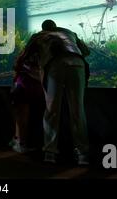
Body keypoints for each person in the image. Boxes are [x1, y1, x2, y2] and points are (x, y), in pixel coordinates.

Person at [34, 19, 90, 165]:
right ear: (55, 25)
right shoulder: (69, 32)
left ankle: (50, 153)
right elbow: (86, 51)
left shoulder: (39, 35)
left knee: (52, 109)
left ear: (43, 28)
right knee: (78, 109)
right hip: (78, 64)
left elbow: (26, 55)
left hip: (55, 65)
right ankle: (82, 153)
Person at [9, 34, 46, 153]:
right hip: (27, 90)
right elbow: (39, 75)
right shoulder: (39, 55)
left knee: (20, 118)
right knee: (23, 118)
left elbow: (16, 70)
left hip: (21, 88)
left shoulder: (24, 54)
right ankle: (21, 144)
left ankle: (17, 140)